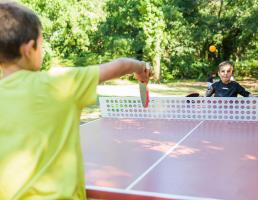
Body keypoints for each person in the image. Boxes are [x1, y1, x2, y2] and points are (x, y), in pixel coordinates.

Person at [0, 2, 150, 200]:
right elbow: (120, 65)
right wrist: (140, 68)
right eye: (41, 44)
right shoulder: (60, 83)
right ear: (29, 48)